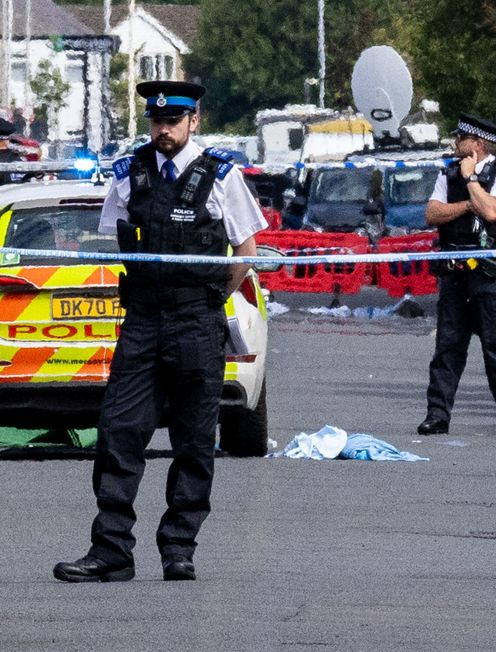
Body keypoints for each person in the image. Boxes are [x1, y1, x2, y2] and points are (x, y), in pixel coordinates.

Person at [53, 80, 268, 582]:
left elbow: (247, 254)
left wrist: (212, 297)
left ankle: (179, 547)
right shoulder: (131, 174)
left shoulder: (221, 175)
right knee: (119, 433)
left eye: (173, 122)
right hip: (144, 321)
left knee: (194, 439)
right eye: (157, 122)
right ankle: (111, 551)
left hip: (197, 319)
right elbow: (114, 238)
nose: (164, 130)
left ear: (195, 120)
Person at [417, 113, 496, 437]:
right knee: (448, 348)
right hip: (454, 277)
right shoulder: (446, 173)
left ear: (477, 145)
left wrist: (471, 182)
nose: (455, 144)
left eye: (460, 139)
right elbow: (432, 213)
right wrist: (468, 203)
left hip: (489, 278)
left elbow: (494, 211)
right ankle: (437, 416)